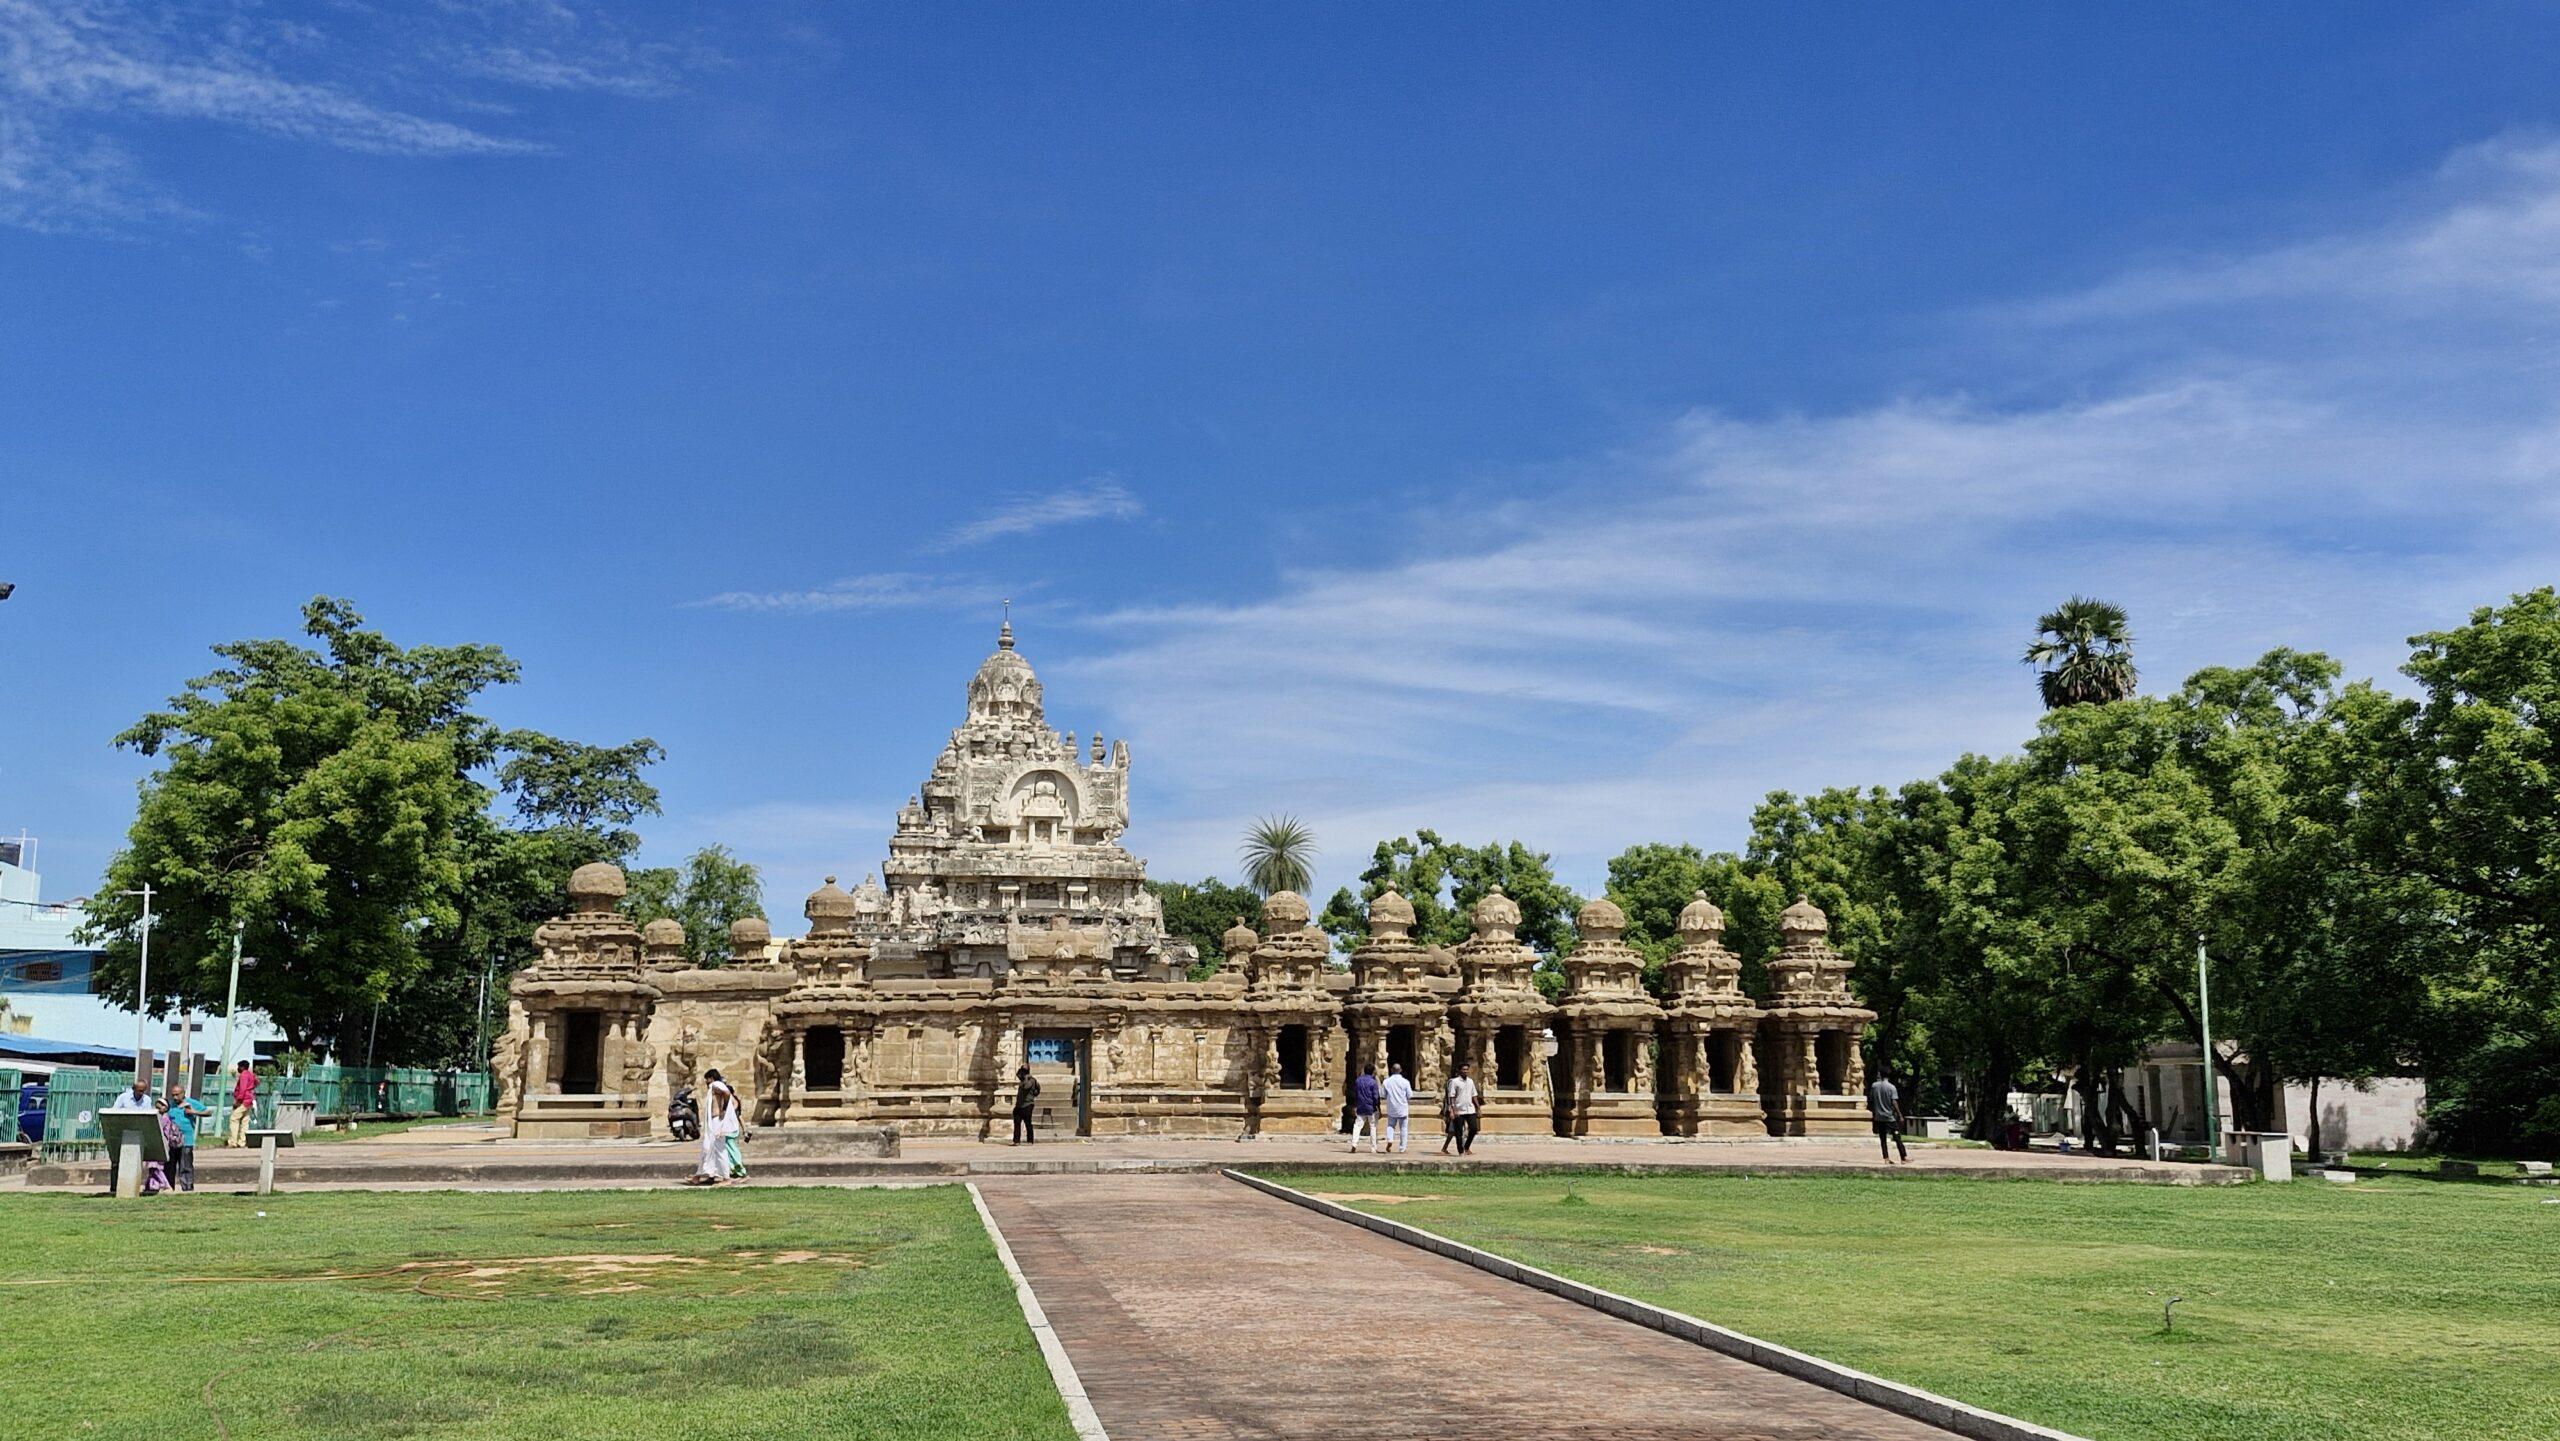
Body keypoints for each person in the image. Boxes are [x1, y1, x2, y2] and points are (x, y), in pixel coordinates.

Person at [104, 1076, 161, 1195]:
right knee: (117, 1161)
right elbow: (114, 1112)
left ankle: (132, 1186)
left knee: (134, 1162)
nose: (141, 1093)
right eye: (139, 1090)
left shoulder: (147, 1100)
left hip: (137, 1135)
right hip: (122, 1133)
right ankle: (114, 1188)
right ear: (133, 1088)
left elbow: (146, 1116)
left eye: (143, 1091)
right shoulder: (123, 1098)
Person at [690, 1068, 739, 1185]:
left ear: (711, 1078)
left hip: (717, 1122)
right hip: (713, 1122)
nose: (706, 1082)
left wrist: (724, 1109)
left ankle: (726, 1178)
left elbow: (727, 1093)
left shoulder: (716, 1085)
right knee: (708, 1148)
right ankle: (705, 1175)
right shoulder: (714, 1087)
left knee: (719, 1149)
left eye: (707, 1079)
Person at [166, 1085, 212, 1192]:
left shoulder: (191, 1103)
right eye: (173, 1095)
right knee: (170, 1166)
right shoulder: (170, 1105)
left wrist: (193, 1112)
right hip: (172, 1141)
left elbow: (208, 1112)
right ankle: (169, 1187)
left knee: (185, 1165)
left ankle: (187, 1188)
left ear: (183, 1093)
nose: (175, 1097)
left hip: (186, 1141)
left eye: (177, 1095)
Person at [1867, 1070, 1908, 1164]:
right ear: (1889, 1076)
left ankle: (1886, 1158)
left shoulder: (1874, 1086)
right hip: (1889, 1117)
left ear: (1880, 1075)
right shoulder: (1891, 1087)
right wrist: (1900, 1115)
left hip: (1878, 1117)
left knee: (1883, 1138)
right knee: (1897, 1137)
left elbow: (1871, 1099)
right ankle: (1903, 1157)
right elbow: (1894, 1102)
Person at [1444, 1062, 1480, 1156]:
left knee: (1474, 1129)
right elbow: (1452, 1096)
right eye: (1463, 1069)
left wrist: (1478, 1107)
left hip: (1470, 1109)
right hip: (1459, 1110)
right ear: (1460, 1071)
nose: (1465, 1071)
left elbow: (1474, 1095)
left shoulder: (1470, 1081)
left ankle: (1466, 1147)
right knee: (1458, 1132)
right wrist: (1453, 1109)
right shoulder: (1454, 1082)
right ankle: (1460, 1151)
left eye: (1467, 1069)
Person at [1347, 1063, 1383, 1153]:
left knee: (1357, 1126)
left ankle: (1354, 1144)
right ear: (1373, 1072)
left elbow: (1356, 1094)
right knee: (1373, 1127)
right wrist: (1378, 1108)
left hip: (1361, 1106)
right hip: (1371, 1107)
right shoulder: (1373, 1082)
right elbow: (1376, 1096)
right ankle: (1373, 1148)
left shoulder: (1358, 1081)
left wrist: (1355, 1105)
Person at [1380, 1061, 1414, 1153]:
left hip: (1391, 1107)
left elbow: (1383, 1094)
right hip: (1402, 1108)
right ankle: (1402, 1148)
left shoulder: (1386, 1082)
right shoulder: (1405, 1082)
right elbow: (1410, 1095)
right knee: (1403, 1128)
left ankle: (1390, 1139)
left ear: (1391, 1070)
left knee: (1390, 1125)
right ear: (1400, 1070)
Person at [227, 1060, 257, 1147]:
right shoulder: (251, 1074)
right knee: (245, 1121)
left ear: (242, 1067)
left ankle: (233, 1141)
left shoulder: (244, 1075)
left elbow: (242, 1089)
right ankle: (242, 1141)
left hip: (244, 1100)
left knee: (234, 1118)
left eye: (239, 1067)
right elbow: (256, 1082)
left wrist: (238, 1101)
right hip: (249, 1100)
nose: (238, 1069)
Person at [1011, 1063, 1040, 1145]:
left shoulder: (1031, 1080)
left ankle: (1030, 1140)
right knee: (1017, 1123)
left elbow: (1026, 1087)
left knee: (1028, 1123)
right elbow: (1018, 1074)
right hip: (1019, 1105)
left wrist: (1026, 1078)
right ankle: (1016, 1140)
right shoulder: (1022, 1080)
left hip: (1028, 1104)